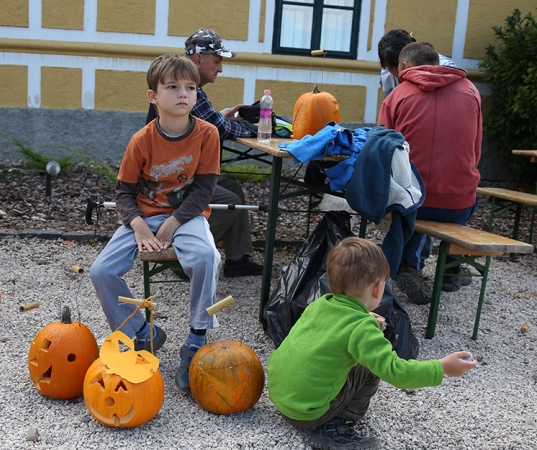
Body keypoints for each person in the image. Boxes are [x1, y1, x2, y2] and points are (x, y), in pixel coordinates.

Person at [267, 237, 476, 450]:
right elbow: (397, 372)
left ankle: (320, 410)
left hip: (282, 398)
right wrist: (442, 367)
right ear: (378, 289)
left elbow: (334, 334)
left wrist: (367, 323)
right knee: (370, 367)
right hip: (307, 413)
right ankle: (335, 428)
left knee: (353, 357)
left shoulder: (321, 303)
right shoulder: (361, 328)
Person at [90, 54, 221, 393]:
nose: (183, 94)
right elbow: (123, 192)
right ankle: (141, 332)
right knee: (101, 270)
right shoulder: (142, 140)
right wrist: (138, 226)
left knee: (207, 258)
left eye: (190, 88)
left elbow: (204, 189)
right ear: (153, 96)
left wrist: (173, 224)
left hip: (187, 215)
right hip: (143, 216)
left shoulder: (208, 134)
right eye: (173, 87)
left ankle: (195, 338)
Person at [146, 28, 262, 278]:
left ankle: (237, 258)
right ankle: (184, 254)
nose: (220, 69)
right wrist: (256, 130)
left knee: (233, 189)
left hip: (183, 169)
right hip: (171, 176)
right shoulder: (186, 87)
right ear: (198, 59)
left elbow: (208, 123)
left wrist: (224, 118)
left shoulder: (182, 83)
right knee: (232, 204)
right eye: (217, 61)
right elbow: (218, 129)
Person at [378, 42, 482, 304]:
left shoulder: (397, 95)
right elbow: (476, 151)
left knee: (411, 198)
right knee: (464, 194)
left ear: (403, 66)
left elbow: (382, 151)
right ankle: (450, 271)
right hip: (458, 202)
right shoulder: (471, 91)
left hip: (414, 202)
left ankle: (405, 264)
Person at [378, 29, 456, 97]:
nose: (398, 72)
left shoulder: (446, 69)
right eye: (390, 67)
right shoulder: (386, 73)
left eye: (399, 64)